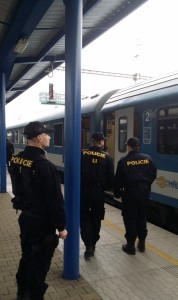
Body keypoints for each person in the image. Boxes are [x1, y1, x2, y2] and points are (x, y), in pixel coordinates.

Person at [10, 121, 67, 300]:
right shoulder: (44, 165)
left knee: (27, 255)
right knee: (40, 261)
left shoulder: (17, 159)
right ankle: (33, 295)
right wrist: (61, 227)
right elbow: (55, 200)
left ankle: (22, 291)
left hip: (26, 218)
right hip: (42, 223)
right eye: (47, 135)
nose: (50, 137)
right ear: (40, 138)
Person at [114, 137, 157, 255]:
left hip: (129, 194)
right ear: (138, 146)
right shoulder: (148, 159)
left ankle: (130, 245)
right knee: (142, 217)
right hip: (144, 193)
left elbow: (118, 180)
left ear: (129, 147)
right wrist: (146, 185)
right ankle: (142, 243)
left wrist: (117, 193)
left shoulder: (123, 161)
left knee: (130, 218)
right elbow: (153, 174)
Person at [80, 132, 114, 258]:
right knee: (96, 217)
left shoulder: (82, 154)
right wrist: (103, 188)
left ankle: (88, 245)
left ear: (92, 141)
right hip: (98, 192)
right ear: (102, 142)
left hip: (83, 191)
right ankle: (93, 243)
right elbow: (111, 179)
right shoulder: (107, 157)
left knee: (84, 217)